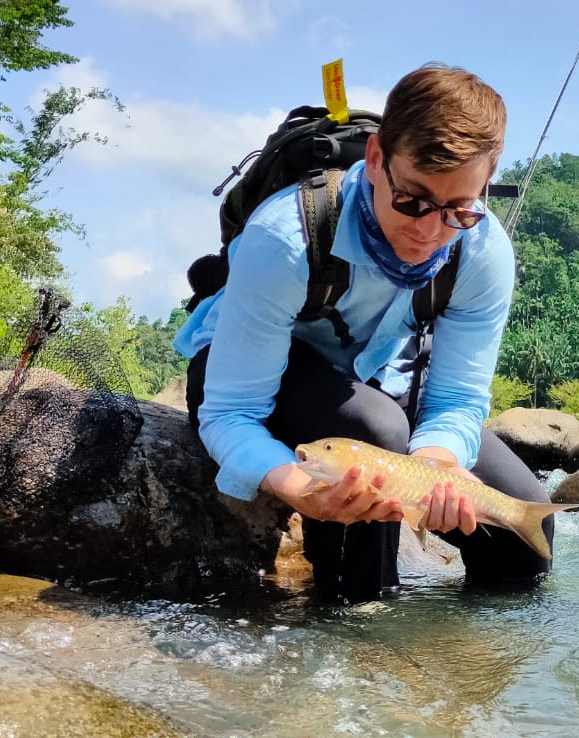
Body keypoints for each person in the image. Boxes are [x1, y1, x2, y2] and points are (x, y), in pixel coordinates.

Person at [174, 62, 554, 601]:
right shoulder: (283, 240)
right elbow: (231, 413)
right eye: (412, 200)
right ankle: (357, 628)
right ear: (376, 160)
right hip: (248, 377)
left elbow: (456, 399)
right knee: (374, 431)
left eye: (457, 209)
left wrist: (436, 466)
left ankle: (465, 664)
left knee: (523, 530)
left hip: (375, 378)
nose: (428, 231)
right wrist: (298, 487)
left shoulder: (483, 252)